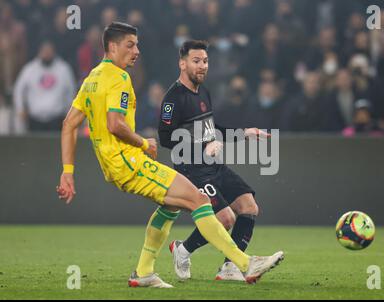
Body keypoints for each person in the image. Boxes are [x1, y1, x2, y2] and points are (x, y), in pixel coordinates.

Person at [56, 22, 284, 288]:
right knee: (200, 201)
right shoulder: (120, 78)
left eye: (137, 44)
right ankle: (245, 264)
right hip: (130, 161)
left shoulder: (92, 78)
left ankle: (143, 272)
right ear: (113, 46)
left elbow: (69, 124)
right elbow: (115, 124)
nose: (137, 51)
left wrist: (68, 171)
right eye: (130, 45)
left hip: (120, 163)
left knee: (172, 205)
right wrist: (143, 143)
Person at [158, 40, 274, 282]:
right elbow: (166, 138)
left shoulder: (204, 92)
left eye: (205, 61)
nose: (202, 66)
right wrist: (201, 145)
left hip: (213, 165)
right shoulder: (173, 98)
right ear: (182, 63)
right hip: (191, 170)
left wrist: (243, 133)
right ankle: (183, 250)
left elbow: (212, 131)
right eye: (196, 61)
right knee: (225, 218)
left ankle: (229, 267)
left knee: (249, 207)